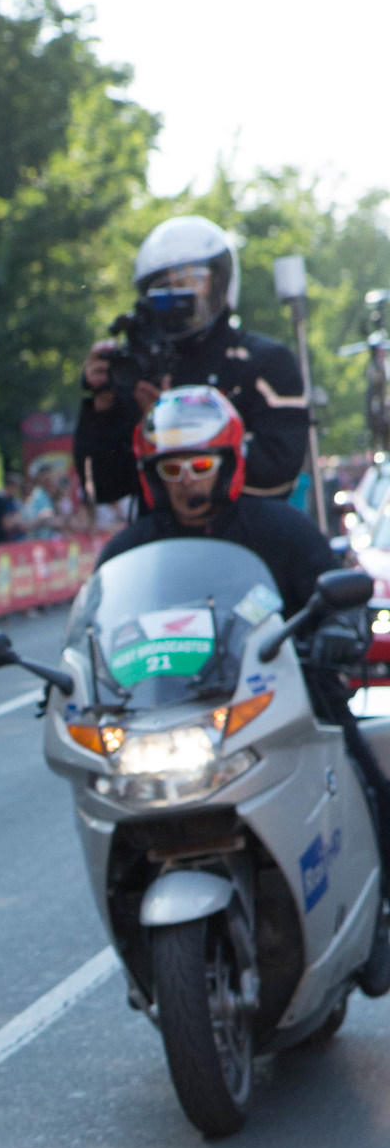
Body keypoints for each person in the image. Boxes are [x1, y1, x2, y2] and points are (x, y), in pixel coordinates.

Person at [98, 387, 386, 955]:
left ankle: (378, 909)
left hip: (285, 698)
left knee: (366, 775)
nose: (186, 480)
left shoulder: (281, 528)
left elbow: (339, 595)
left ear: (228, 464)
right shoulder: (128, 552)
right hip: (171, 716)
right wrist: (80, 679)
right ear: (152, 474)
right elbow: (101, 630)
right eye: (172, 468)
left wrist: (338, 631)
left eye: (200, 465)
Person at [77, 215, 308, 507]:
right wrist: (100, 407)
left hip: (249, 524)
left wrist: (168, 423)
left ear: (221, 281)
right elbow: (99, 488)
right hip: (162, 530)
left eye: (192, 282)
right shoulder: (141, 368)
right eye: (164, 289)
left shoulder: (265, 361)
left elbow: (278, 471)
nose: (178, 296)